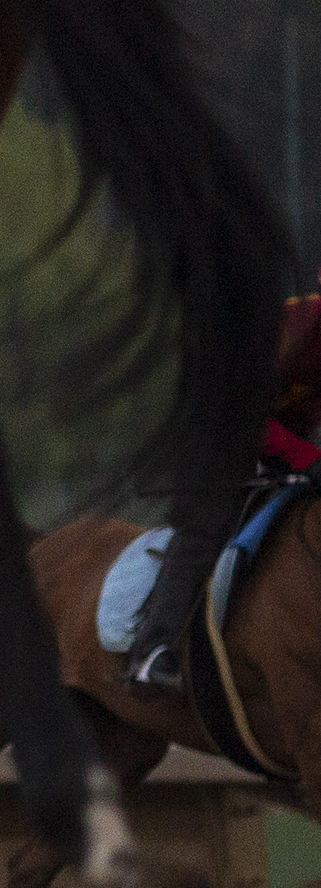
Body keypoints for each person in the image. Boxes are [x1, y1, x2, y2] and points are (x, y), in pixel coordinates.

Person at [127, 279, 321, 693]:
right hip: (214, 431)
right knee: (208, 525)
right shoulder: (291, 324)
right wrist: (307, 457)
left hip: (274, 442)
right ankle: (150, 651)